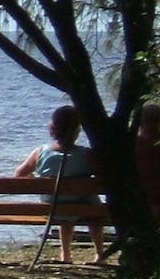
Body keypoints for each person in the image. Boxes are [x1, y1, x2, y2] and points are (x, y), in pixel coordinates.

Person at [15, 105, 105, 264]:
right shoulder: (87, 154)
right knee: (93, 206)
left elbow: (19, 174)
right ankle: (99, 253)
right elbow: (102, 178)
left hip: (52, 207)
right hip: (83, 207)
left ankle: (66, 255)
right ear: (77, 130)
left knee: (64, 205)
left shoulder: (40, 152)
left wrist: (36, 179)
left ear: (53, 129)